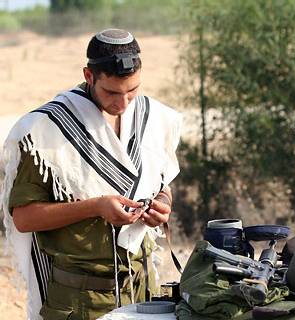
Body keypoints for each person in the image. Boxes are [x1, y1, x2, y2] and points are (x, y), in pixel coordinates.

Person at [1, 28, 182, 320]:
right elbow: (24, 218)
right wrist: (95, 207)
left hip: (143, 288)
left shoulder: (152, 117)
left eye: (132, 91)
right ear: (89, 76)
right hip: (79, 300)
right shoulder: (47, 129)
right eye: (111, 92)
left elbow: (161, 182)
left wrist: (163, 203)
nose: (123, 104)